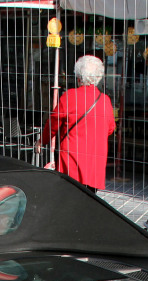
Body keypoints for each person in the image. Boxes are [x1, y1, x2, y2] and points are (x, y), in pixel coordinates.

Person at [39, 55, 115, 192]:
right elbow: (110, 129)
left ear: (78, 77)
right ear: (98, 78)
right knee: (89, 199)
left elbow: (53, 124)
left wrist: (42, 140)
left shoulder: (69, 96)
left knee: (68, 197)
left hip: (71, 160)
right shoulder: (105, 101)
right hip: (94, 162)